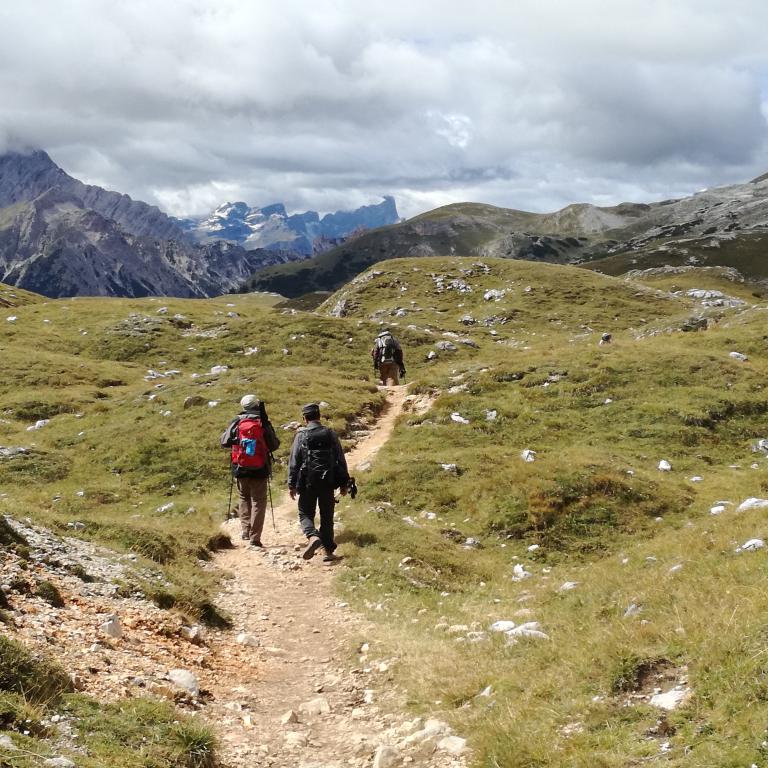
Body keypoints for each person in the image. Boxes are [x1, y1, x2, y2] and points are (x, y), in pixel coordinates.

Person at [288, 403, 350, 562]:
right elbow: (340, 459)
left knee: (305, 513)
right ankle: (328, 551)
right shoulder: (330, 434)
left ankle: (312, 536)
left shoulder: (301, 435)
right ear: (319, 416)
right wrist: (344, 483)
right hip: (328, 482)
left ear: (304, 418)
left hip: (307, 482)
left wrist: (291, 484)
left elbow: (294, 461)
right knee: (327, 515)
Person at [220, 395, 280, 547]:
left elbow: (224, 441)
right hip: (260, 468)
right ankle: (255, 537)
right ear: (257, 406)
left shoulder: (236, 422)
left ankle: (246, 531)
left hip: (240, 467)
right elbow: (274, 445)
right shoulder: (263, 423)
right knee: (258, 501)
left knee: (243, 497)